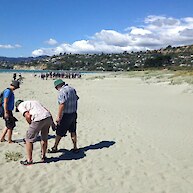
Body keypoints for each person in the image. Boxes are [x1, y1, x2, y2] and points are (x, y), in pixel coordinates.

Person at [15, 100, 55, 165]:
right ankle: (43, 156)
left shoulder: (20, 106)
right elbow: (47, 111)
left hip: (38, 119)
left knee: (28, 139)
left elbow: (27, 116)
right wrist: (52, 123)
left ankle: (29, 160)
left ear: (17, 106)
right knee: (44, 137)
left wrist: (31, 124)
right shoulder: (35, 102)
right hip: (48, 117)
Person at [48, 79, 79, 153]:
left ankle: (55, 147)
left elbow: (62, 104)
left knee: (59, 132)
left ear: (58, 86)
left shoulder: (62, 91)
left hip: (65, 115)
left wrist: (58, 116)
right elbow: (77, 98)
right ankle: (75, 147)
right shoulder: (72, 89)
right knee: (73, 131)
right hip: (73, 113)